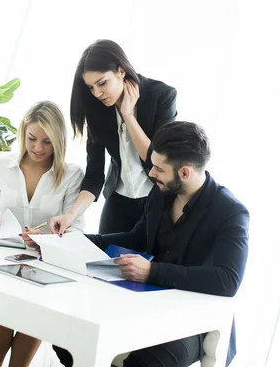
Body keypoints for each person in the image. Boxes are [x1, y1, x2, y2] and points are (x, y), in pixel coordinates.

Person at [27, 121, 249, 367]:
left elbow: (228, 280)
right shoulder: (160, 193)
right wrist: (63, 241)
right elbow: (134, 238)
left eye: (158, 168)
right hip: (143, 305)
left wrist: (152, 271)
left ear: (185, 172)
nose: (151, 173)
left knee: (148, 360)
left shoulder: (231, 212)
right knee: (69, 332)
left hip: (193, 320)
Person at [0, 101, 85, 367]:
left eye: (47, 142)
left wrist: (43, 240)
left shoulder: (71, 175)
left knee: (33, 318)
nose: (37, 148)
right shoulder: (1, 166)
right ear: (23, 133)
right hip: (6, 257)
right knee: (2, 312)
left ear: (58, 141)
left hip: (45, 262)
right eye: (32, 138)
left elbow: (77, 230)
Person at [50, 39, 177, 235]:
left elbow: (157, 161)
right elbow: (94, 175)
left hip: (157, 200)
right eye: (91, 87)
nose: (97, 93)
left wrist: (128, 117)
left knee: (147, 264)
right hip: (118, 201)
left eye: (102, 83)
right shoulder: (97, 109)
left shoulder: (161, 96)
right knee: (105, 262)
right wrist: (71, 215)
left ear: (121, 71)